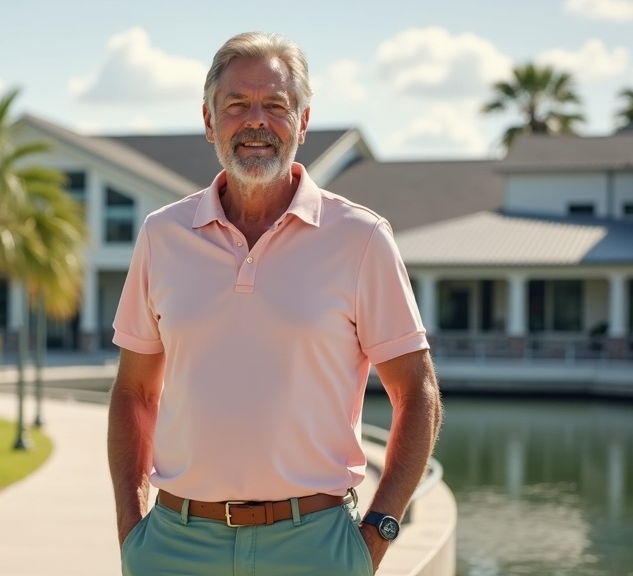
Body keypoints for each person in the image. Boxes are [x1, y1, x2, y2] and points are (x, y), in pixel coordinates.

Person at [107, 31, 443, 575]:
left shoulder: (361, 238)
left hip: (315, 548)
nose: (256, 121)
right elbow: (135, 392)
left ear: (303, 122)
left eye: (276, 106)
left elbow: (417, 393)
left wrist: (375, 535)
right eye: (237, 105)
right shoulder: (161, 235)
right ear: (209, 121)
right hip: (174, 546)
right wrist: (132, 529)